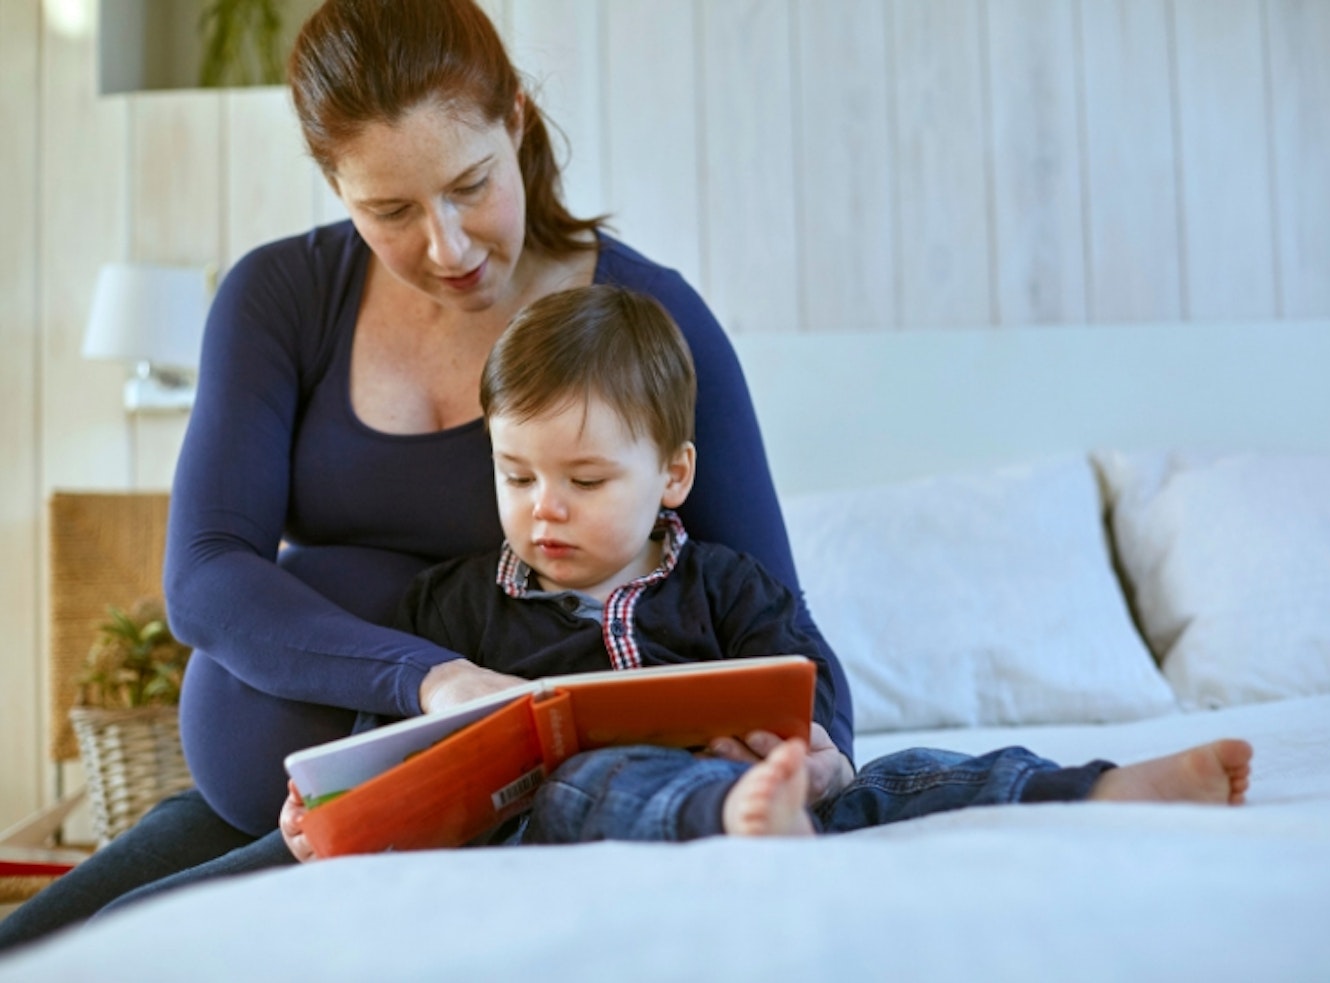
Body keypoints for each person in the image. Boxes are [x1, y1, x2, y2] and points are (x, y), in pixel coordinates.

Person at [0, 0, 852, 953]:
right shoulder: (280, 298)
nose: (445, 247)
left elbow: (775, 624)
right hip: (269, 802)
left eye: (471, 185)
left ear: (517, 121)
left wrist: (817, 757)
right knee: (35, 941)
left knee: (118, 948)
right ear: (334, 184)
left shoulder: (642, 323)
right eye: (390, 211)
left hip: (467, 806)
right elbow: (204, 574)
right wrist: (433, 681)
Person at [277, 284, 1251, 859]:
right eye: (517, 473)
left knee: (905, 776)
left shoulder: (727, 585)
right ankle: (738, 820)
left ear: (673, 475)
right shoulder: (458, 602)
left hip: (774, 779)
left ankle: (1099, 787)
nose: (545, 504)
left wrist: (818, 749)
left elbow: (805, 679)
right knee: (583, 776)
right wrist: (332, 806)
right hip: (572, 806)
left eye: (584, 477)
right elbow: (390, 739)